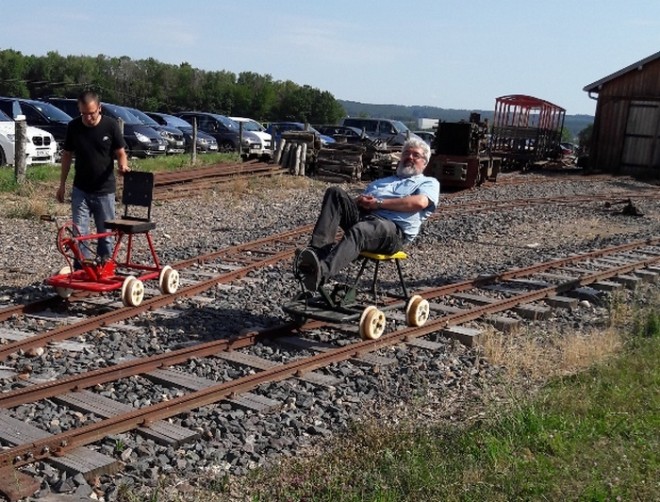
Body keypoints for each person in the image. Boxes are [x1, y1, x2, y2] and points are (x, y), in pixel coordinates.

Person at [295, 137, 440, 292]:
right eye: (406, 153)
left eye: (415, 155)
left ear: (424, 162)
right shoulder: (383, 181)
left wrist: (379, 204)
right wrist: (360, 201)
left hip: (393, 230)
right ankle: (317, 254)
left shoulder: (428, 183)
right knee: (334, 193)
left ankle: (320, 274)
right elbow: (362, 202)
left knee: (361, 230)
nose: (409, 157)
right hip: (366, 218)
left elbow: (419, 203)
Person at [56, 90, 130, 263]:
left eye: (91, 113)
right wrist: (62, 185)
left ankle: (105, 266)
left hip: (104, 190)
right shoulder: (74, 127)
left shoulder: (110, 126)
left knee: (105, 233)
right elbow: (67, 155)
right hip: (80, 189)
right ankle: (83, 267)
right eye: (83, 113)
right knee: (79, 233)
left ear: (99, 108)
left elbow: (120, 152)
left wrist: (123, 165)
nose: (87, 118)